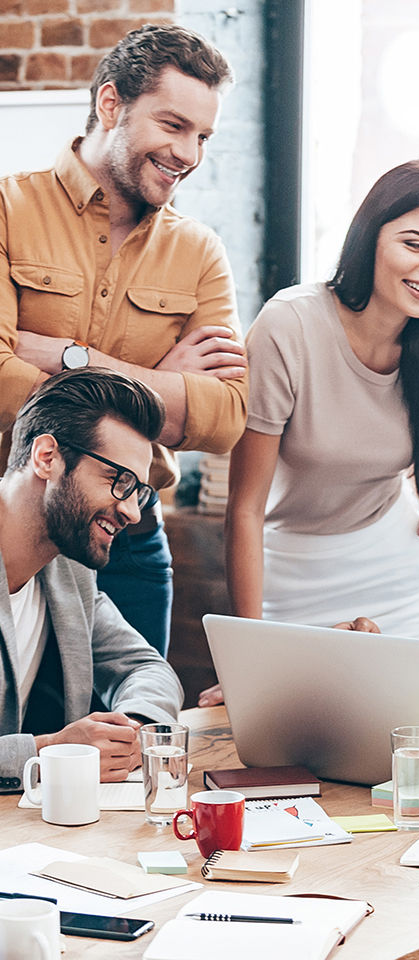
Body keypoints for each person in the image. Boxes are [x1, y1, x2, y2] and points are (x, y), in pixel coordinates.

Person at [0, 24, 248, 657]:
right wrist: (160, 383)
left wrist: (74, 359)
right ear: (111, 104)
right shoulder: (8, 210)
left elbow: (224, 418)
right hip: (17, 520)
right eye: (172, 125)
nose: (189, 153)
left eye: (203, 136)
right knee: (29, 738)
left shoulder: (199, 254)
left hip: (129, 534)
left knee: (137, 724)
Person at [197, 158, 419, 707]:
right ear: (370, 239)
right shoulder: (291, 325)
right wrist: (245, 657)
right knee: (293, 715)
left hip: (395, 566)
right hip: (293, 570)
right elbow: (245, 509)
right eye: (415, 244)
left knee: (413, 713)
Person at [0, 369, 183, 792]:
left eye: (138, 492)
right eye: (119, 482)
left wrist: (131, 731)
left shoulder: (69, 570)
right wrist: (51, 752)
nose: (133, 513)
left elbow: (144, 667)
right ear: (47, 457)